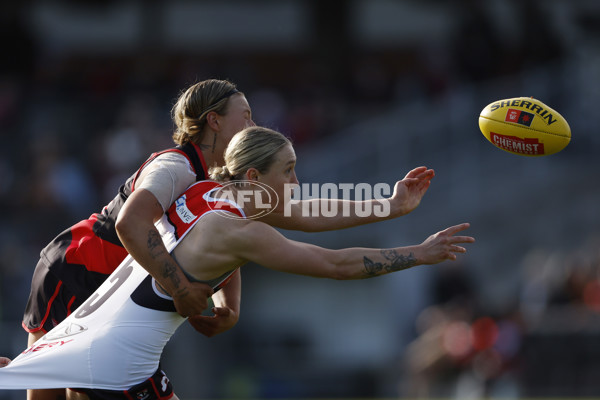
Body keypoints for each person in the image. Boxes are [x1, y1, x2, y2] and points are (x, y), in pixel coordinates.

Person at [23, 80, 436, 400]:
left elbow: (300, 214)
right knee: (51, 389)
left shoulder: (217, 190)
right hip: (80, 266)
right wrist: (181, 288)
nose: (253, 125)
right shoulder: (176, 166)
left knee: (65, 381)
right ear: (214, 122)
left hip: (113, 303)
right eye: (247, 115)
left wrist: (390, 205)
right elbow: (133, 225)